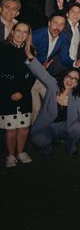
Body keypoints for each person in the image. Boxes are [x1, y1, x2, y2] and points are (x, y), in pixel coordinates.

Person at [26, 47, 80, 156]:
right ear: (64, 77)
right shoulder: (53, 86)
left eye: (75, 79)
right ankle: (46, 148)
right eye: (69, 76)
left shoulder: (78, 96)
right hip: (47, 126)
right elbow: (42, 73)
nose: (70, 80)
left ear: (77, 84)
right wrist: (30, 57)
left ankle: (70, 145)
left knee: (79, 127)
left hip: (64, 127)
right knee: (39, 140)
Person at [0, 22, 36, 167]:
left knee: (24, 127)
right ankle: (10, 155)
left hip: (24, 94)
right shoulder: (3, 48)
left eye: (25, 32)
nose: (21, 34)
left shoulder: (30, 51)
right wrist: (11, 92)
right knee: (11, 129)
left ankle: (21, 152)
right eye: (18, 31)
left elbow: (33, 74)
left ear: (28, 35)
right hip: (6, 94)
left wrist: (22, 91)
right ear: (13, 32)